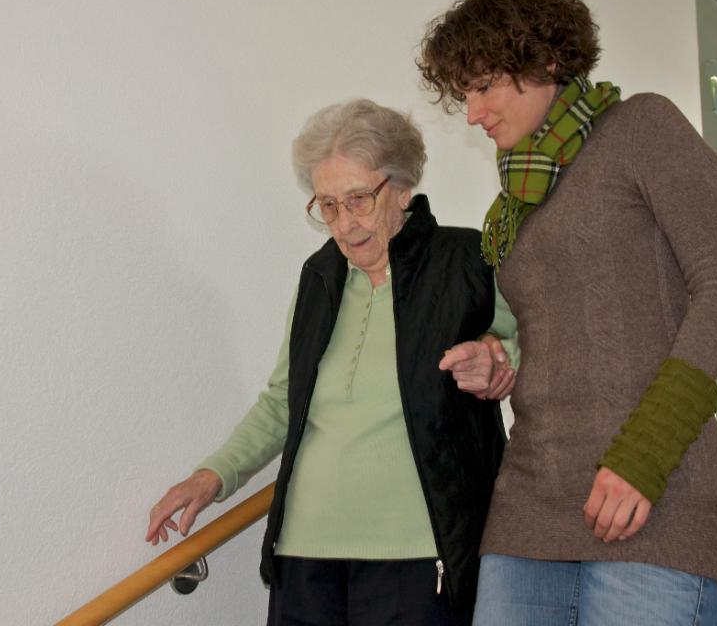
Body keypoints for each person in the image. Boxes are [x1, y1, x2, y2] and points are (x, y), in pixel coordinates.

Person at [417, 0, 717, 624]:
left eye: (484, 86)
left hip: (655, 492)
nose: (473, 113)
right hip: (530, 504)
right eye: (464, 94)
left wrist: (644, 457)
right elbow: (555, 325)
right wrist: (499, 356)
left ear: (544, 60)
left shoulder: (642, 127)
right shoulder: (518, 195)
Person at [145, 99, 519, 626]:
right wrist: (212, 477)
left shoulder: (466, 261)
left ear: (403, 187)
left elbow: (537, 349)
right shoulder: (319, 276)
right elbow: (283, 401)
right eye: (327, 205)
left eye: (359, 200)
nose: (345, 224)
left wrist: (500, 357)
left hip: (418, 554)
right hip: (305, 555)